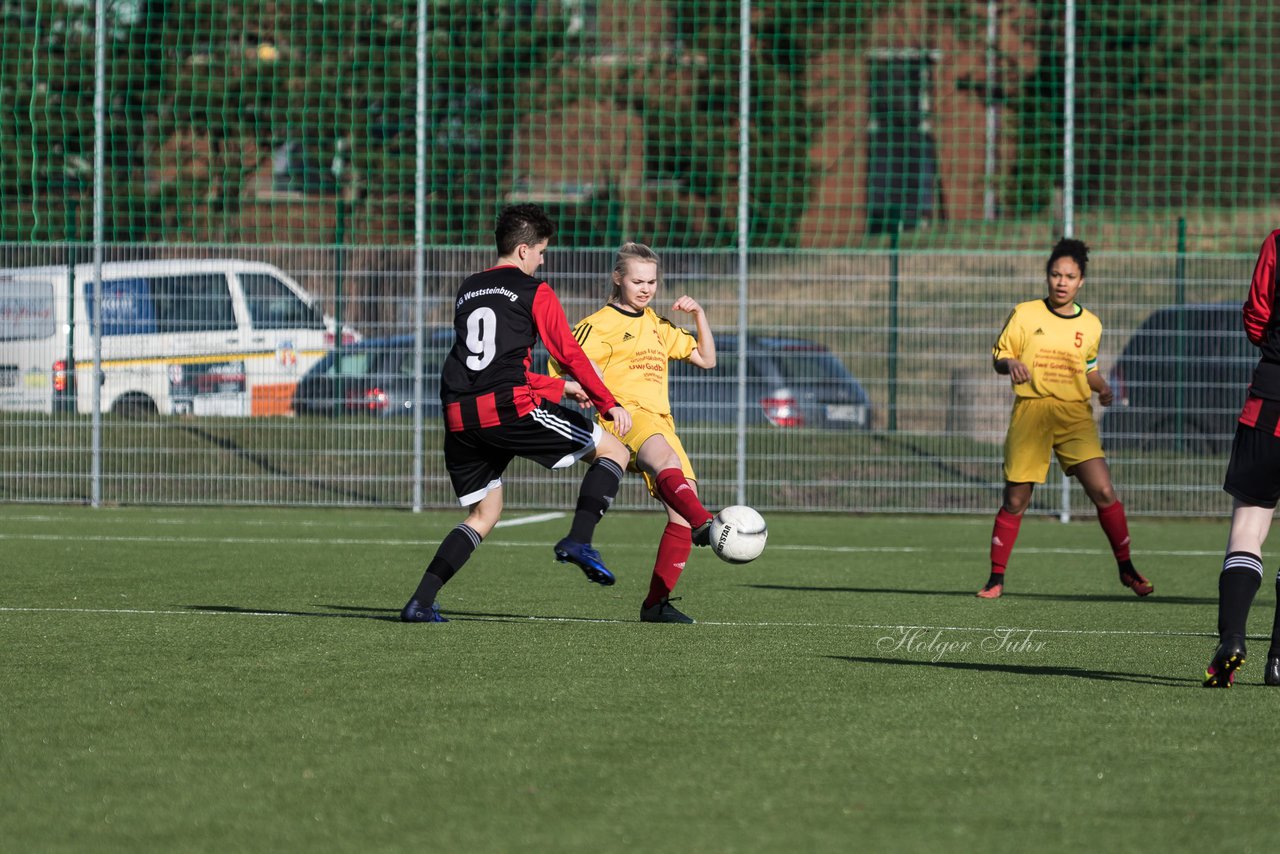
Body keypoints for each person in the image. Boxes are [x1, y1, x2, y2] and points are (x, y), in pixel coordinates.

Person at [400, 203, 634, 623]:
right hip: (507, 409)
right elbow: (567, 352)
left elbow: (489, 367)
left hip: (458, 414)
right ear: (525, 250)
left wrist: (560, 388)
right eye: (542, 251)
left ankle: (420, 601)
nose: (542, 260)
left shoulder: (468, 288)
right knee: (614, 451)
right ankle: (579, 540)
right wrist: (607, 402)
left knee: (485, 513)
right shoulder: (534, 290)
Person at [978, 237, 1153, 600]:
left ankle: (1127, 569)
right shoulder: (1025, 314)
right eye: (1056, 274)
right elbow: (1000, 356)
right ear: (1047, 277)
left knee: (1104, 490)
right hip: (1033, 411)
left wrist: (1102, 387)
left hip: (1075, 416)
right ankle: (996, 578)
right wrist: (1009, 363)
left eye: (1069, 276)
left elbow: (1087, 369)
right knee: (1015, 499)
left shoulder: (1090, 325)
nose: (1061, 282)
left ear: (1081, 281)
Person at [551, 242, 717, 623]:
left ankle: (656, 604)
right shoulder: (597, 324)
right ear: (618, 279)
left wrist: (700, 316)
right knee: (669, 468)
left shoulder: (658, 325)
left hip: (661, 422)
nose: (645, 289)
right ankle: (707, 523)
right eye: (637, 281)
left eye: (652, 282)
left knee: (680, 510)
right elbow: (560, 364)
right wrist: (584, 390)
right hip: (624, 418)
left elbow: (707, 360)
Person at [1204, 228, 1280, 687]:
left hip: (1269, 399)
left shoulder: (1277, 240)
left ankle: (1232, 638)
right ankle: (1278, 660)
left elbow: (1257, 315)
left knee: (1248, 526)